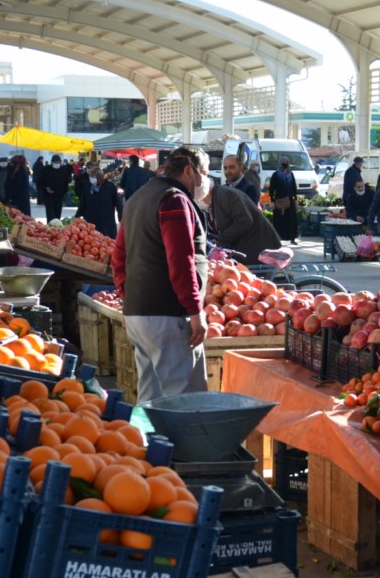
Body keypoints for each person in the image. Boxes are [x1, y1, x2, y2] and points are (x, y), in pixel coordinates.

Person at [109, 148, 211, 403]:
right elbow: (181, 260)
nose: (204, 181)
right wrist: (195, 311)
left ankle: (146, 442)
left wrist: (127, 300)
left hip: (139, 315)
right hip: (168, 315)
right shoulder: (173, 200)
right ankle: (181, 444)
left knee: (150, 398)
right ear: (189, 170)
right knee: (185, 401)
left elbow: (118, 259)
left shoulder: (137, 198)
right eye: (203, 174)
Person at [201, 173, 282, 262]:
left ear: (205, 192)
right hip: (249, 249)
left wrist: (221, 239)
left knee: (255, 275)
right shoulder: (213, 200)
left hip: (259, 248)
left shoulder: (226, 195)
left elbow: (244, 220)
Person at [78, 164, 123, 238]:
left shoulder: (110, 187)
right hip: (91, 223)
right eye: (90, 176)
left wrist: (120, 218)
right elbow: (83, 204)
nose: (90, 179)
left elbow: (118, 204)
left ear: (99, 177)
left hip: (107, 223)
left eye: (92, 177)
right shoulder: (87, 187)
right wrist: (77, 217)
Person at [268, 158, 299, 243]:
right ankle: (278, 238)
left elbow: (294, 187)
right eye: (283, 162)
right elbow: (271, 188)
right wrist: (272, 201)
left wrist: (296, 199)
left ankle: (292, 238)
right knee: (279, 220)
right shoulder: (276, 175)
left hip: (290, 199)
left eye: (286, 162)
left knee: (291, 219)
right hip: (279, 200)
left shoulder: (290, 174)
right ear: (280, 163)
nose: (285, 163)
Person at [39, 154, 69, 221]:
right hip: (48, 197)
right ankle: (50, 229)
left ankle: (57, 230)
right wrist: (46, 188)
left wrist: (63, 194)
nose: (57, 164)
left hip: (59, 197)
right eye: (55, 162)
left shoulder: (63, 170)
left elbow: (66, 184)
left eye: (58, 162)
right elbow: (40, 182)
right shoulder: (45, 170)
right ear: (52, 162)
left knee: (57, 216)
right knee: (50, 216)